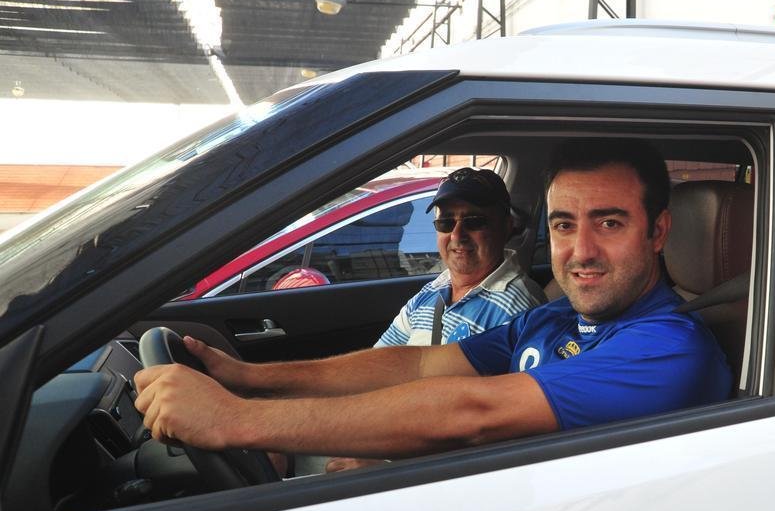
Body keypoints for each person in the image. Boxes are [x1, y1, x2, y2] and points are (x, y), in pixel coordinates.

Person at [133, 140, 733, 466]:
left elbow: (468, 411)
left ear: (658, 232)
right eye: (563, 225)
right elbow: (420, 363)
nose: (581, 251)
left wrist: (235, 419)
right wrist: (251, 378)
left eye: (609, 223)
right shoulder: (554, 315)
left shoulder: (666, 348)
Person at [377, 167, 545, 347]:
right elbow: (379, 359)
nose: (457, 235)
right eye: (446, 222)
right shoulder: (432, 291)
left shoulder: (520, 310)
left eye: (474, 221)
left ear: (506, 227)